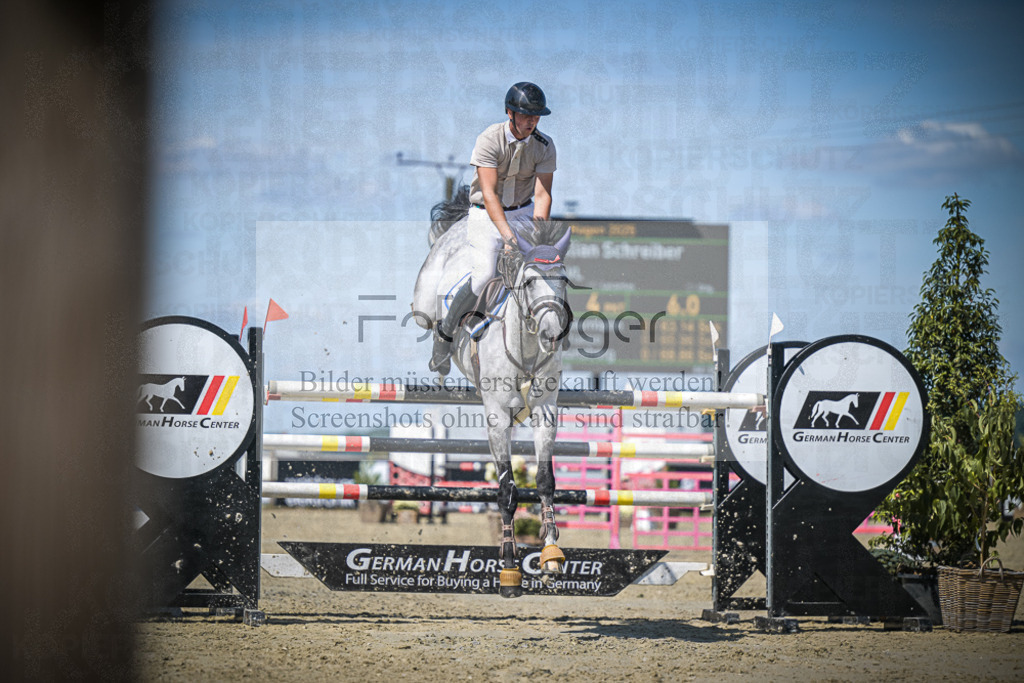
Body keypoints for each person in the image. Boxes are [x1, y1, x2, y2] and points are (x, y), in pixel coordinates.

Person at [429, 81, 557, 374]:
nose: (532, 121)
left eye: (536, 116)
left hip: (523, 213)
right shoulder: (489, 139)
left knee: (543, 271)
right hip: (486, 214)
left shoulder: (545, 146)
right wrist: (508, 237)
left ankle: (545, 339)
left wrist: (538, 234)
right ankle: (445, 335)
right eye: (526, 115)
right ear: (509, 113)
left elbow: (542, 195)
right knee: (485, 273)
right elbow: (489, 195)